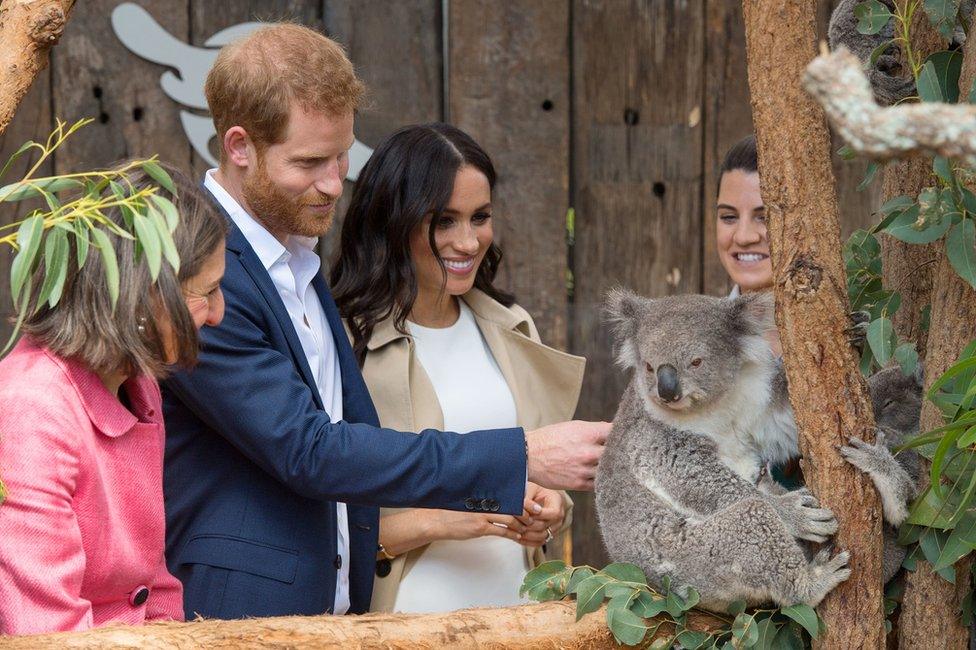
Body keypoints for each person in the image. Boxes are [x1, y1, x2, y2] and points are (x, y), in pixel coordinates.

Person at [160, 23, 608, 620]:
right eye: (310, 161)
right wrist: (519, 454)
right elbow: (310, 451)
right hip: (248, 611)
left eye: (341, 154)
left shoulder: (296, 258)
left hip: (340, 613)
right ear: (239, 146)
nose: (332, 182)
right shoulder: (200, 267)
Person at [331, 123, 583, 613]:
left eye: (480, 217)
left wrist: (549, 513)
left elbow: (541, 473)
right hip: (404, 624)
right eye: (444, 221)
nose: (468, 241)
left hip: (520, 618)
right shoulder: (345, 342)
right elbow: (325, 527)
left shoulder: (512, 328)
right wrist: (440, 518)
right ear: (394, 220)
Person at [0, 165, 228, 634]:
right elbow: (47, 631)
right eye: (207, 292)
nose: (220, 313)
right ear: (148, 296)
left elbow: (154, 584)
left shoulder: (137, 385)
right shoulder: (32, 409)